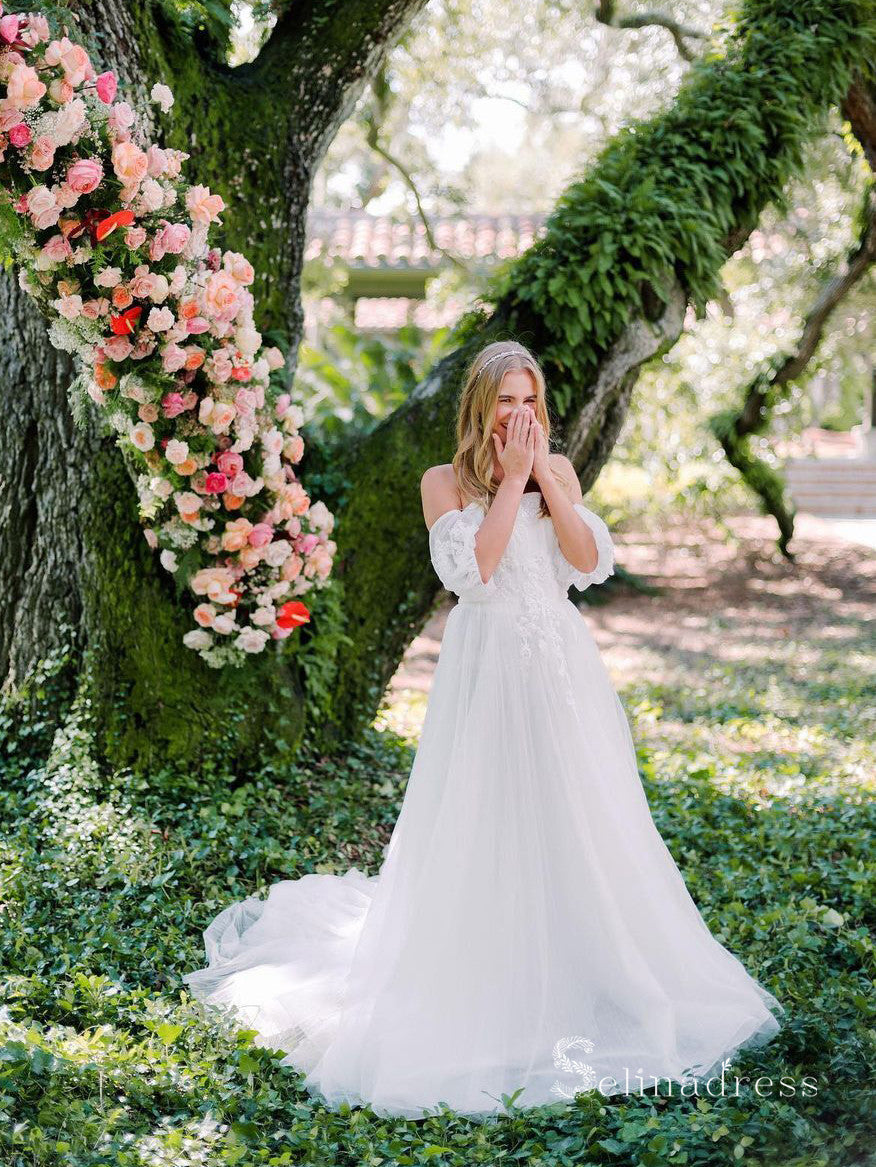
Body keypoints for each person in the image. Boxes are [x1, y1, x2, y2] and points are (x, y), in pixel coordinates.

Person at [182, 340, 785, 1121]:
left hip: (561, 665)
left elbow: (586, 557)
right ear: (479, 406)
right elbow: (478, 571)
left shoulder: (558, 471)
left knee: (581, 810)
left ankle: (588, 954)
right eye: (506, 400)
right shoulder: (443, 483)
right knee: (491, 809)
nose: (520, 413)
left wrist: (543, 481)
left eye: (529, 399)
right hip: (488, 663)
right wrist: (506, 484)